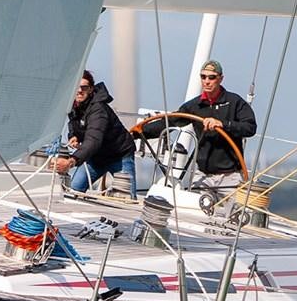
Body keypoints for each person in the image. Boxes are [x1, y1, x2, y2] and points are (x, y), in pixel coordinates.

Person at [139, 60, 257, 188]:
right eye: (203, 77)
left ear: (221, 79)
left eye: (211, 77)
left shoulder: (234, 102)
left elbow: (250, 128)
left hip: (231, 177)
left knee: (235, 208)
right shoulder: (195, 106)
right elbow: (170, 122)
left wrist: (223, 124)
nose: (206, 81)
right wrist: (137, 133)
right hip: (202, 176)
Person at [59, 70, 137, 198]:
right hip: (96, 157)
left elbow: (94, 140)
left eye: (84, 87)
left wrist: (72, 161)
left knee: (128, 199)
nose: (79, 91)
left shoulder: (98, 110)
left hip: (119, 155)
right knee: (73, 191)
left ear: (91, 90)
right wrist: (73, 136)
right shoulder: (74, 106)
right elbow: (74, 124)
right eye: (76, 87)